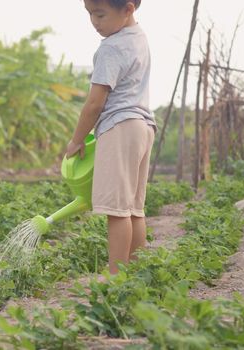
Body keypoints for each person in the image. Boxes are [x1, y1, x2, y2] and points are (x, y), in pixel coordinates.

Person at [64, 0, 157, 276]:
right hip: (143, 127)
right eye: (90, 14)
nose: (94, 21)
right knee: (133, 209)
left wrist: (77, 139)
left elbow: (95, 103)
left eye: (100, 14)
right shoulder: (139, 37)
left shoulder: (111, 47)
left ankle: (117, 279)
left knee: (117, 210)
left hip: (120, 127)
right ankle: (137, 275)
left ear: (128, 9)